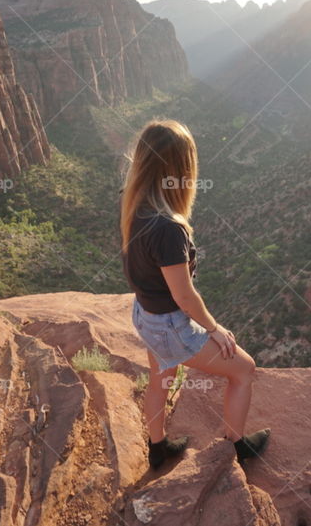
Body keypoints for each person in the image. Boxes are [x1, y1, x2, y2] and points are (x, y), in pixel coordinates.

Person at [119, 118, 270, 470]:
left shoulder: (135, 204)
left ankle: (157, 448)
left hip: (145, 315)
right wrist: (214, 329)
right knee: (244, 370)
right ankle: (236, 447)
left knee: (160, 380)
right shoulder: (169, 229)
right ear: (181, 168)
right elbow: (184, 296)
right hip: (170, 325)